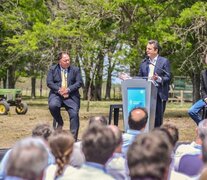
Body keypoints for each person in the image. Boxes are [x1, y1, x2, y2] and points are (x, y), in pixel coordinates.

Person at [47, 52, 83, 140]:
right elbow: (49, 82)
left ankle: (73, 139)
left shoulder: (75, 70)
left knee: (74, 113)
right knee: (53, 105)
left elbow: (79, 82)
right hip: (57, 95)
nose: (68, 62)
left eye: (68, 60)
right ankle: (60, 122)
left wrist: (68, 89)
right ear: (60, 61)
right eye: (65, 60)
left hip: (71, 96)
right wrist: (59, 90)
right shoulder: (52, 69)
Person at [138, 40, 171, 127]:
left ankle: (157, 138)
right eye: (146, 49)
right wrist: (128, 78)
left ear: (156, 50)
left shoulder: (164, 61)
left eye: (149, 49)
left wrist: (159, 78)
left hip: (159, 94)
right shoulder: (144, 62)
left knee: (157, 119)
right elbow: (139, 78)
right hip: (145, 94)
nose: (147, 50)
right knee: (145, 118)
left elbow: (168, 77)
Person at [188, 55, 207, 125]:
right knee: (191, 111)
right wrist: (205, 98)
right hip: (205, 99)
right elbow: (202, 89)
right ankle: (202, 126)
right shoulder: (203, 73)